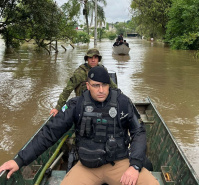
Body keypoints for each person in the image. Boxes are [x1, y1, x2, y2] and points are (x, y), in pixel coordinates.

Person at [0, 66, 159, 185]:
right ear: (88, 85)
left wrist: (135, 166)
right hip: (86, 166)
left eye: (104, 85)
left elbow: (139, 133)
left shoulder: (123, 102)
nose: (101, 90)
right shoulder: (75, 105)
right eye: (96, 85)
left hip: (118, 164)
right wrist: (20, 160)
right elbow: (49, 133)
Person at [50, 48, 117, 117]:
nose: (93, 60)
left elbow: (113, 86)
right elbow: (67, 90)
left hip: (100, 103)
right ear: (87, 59)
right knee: (68, 108)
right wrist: (58, 107)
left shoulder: (102, 70)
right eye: (90, 58)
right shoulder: (80, 73)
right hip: (82, 104)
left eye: (95, 57)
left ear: (98, 59)